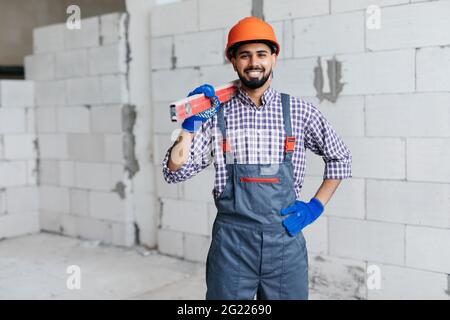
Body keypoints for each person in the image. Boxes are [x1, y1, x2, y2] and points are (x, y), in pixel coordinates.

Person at [162, 16, 352, 300]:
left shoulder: (300, 112)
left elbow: (341, 158)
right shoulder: (216, 115)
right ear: (234, 62)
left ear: (274, 58)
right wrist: (189, 125)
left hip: (284, 243)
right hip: (232, 245)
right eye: (245, 55)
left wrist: (315, 207)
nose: (254, 62)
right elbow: (174, 171)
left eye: (262, 54)